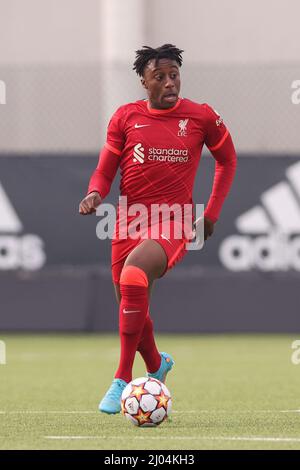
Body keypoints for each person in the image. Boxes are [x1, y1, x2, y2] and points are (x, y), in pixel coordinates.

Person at [79, 44, 237, 414]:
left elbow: (227, 161)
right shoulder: (124, 117)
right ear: (143, 81)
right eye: (160, 77)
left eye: (174, 75)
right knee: (130, 304)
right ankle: (156, 365)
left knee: (134, 277)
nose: (170, 83)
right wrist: (94, 192)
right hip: (128, 220)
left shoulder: (201, 117)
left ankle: (121, 378)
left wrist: (210, 213)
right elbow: (105, 168)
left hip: (174, 219)